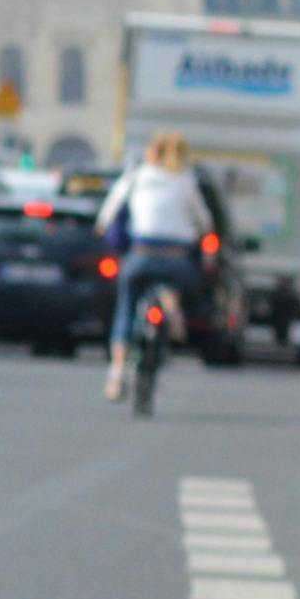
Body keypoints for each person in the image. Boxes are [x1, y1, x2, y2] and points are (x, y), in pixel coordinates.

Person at [95, 130, 217, 405]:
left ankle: (116, 374)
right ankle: (173, 312)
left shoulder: (137, 176)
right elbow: (205, 222)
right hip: (176, 258)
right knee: (178, 278)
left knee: (126, 306)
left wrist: (103, 230)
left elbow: (109, 211)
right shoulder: (186, 181)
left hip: (142, 253)